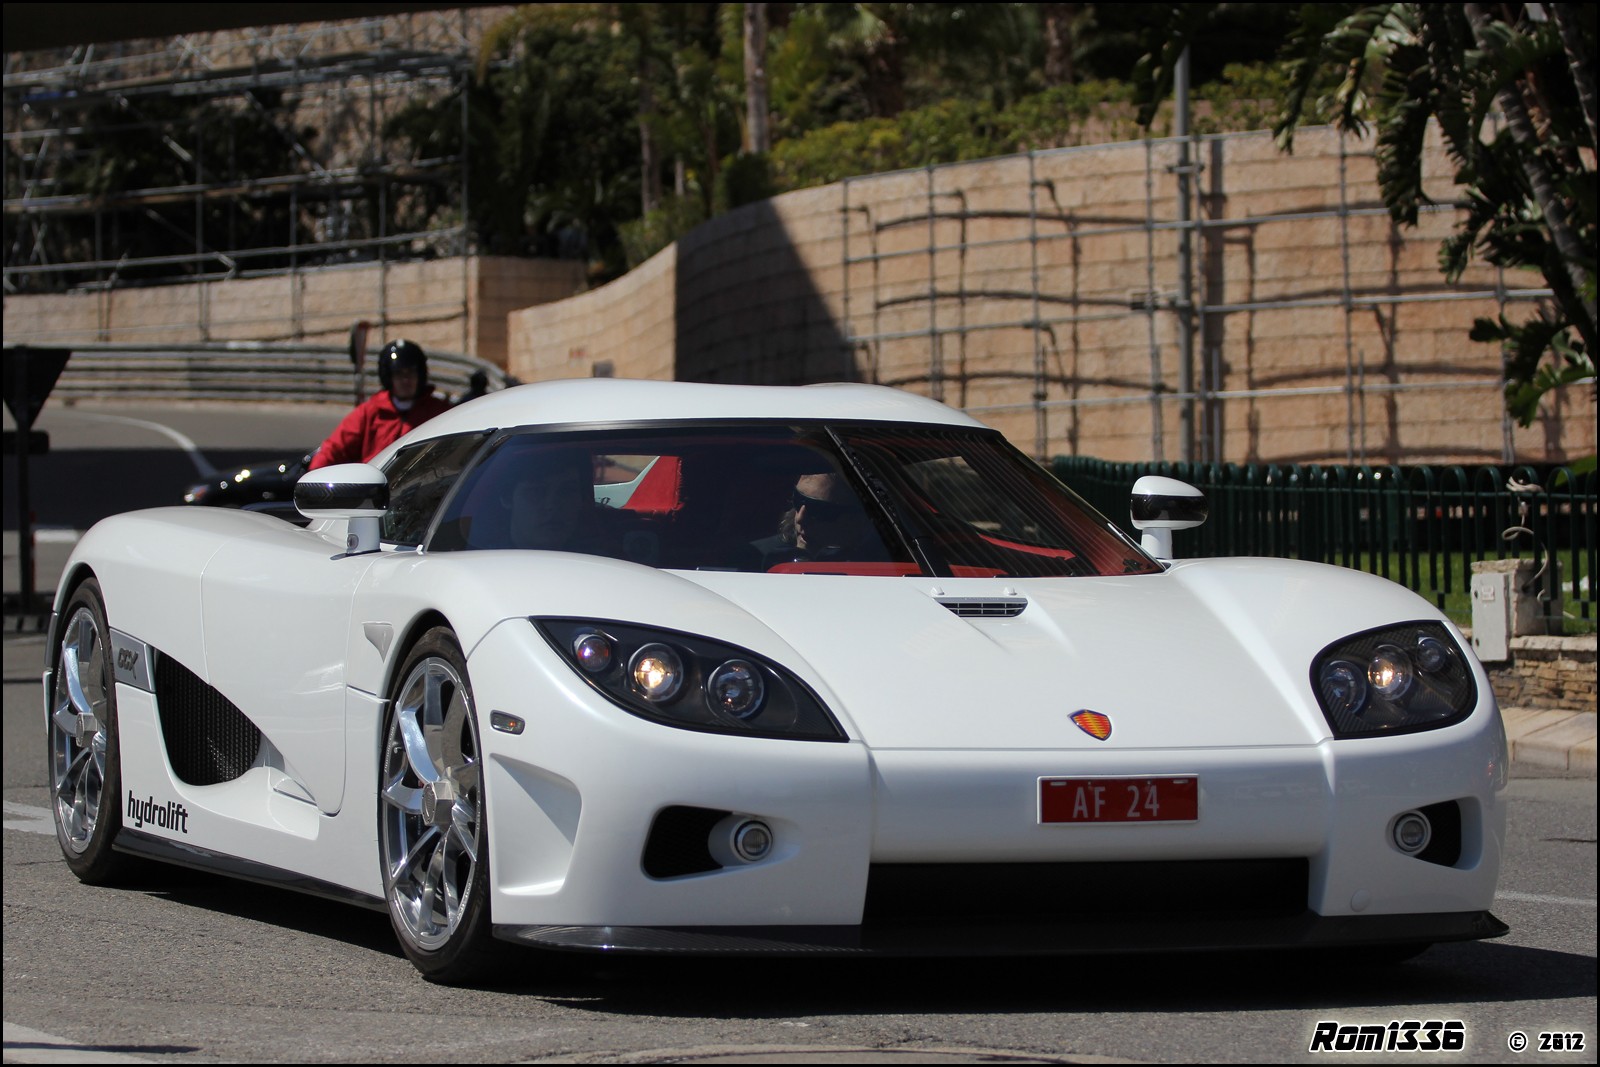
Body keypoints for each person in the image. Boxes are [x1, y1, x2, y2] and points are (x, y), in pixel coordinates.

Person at [309, 339, 452, 469]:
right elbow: (333, 450)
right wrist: (313, 481)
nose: (405, 380)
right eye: (399, 374)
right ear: (388, 377)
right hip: (375, 489)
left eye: (411, 373)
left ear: (420, 375)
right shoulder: (370, 412)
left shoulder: (439, 413)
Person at [750, 471, 884, 568]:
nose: (800, 518)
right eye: (798, 500)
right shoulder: (754, 560)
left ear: (857, 517)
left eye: (819, 510)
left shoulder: (886, 570)